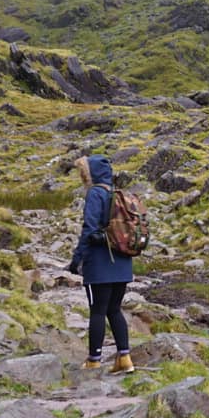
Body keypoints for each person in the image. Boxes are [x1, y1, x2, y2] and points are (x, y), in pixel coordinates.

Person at [67, 154, 135, 373]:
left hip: (101, 264)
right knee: (114, 309)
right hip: (123, 262)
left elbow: (90, 229)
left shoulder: (95, 193)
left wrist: (76, 260)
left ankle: (94, 360)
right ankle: (124, 359)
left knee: (97, 311)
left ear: (91, 173)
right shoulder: (116, 195)